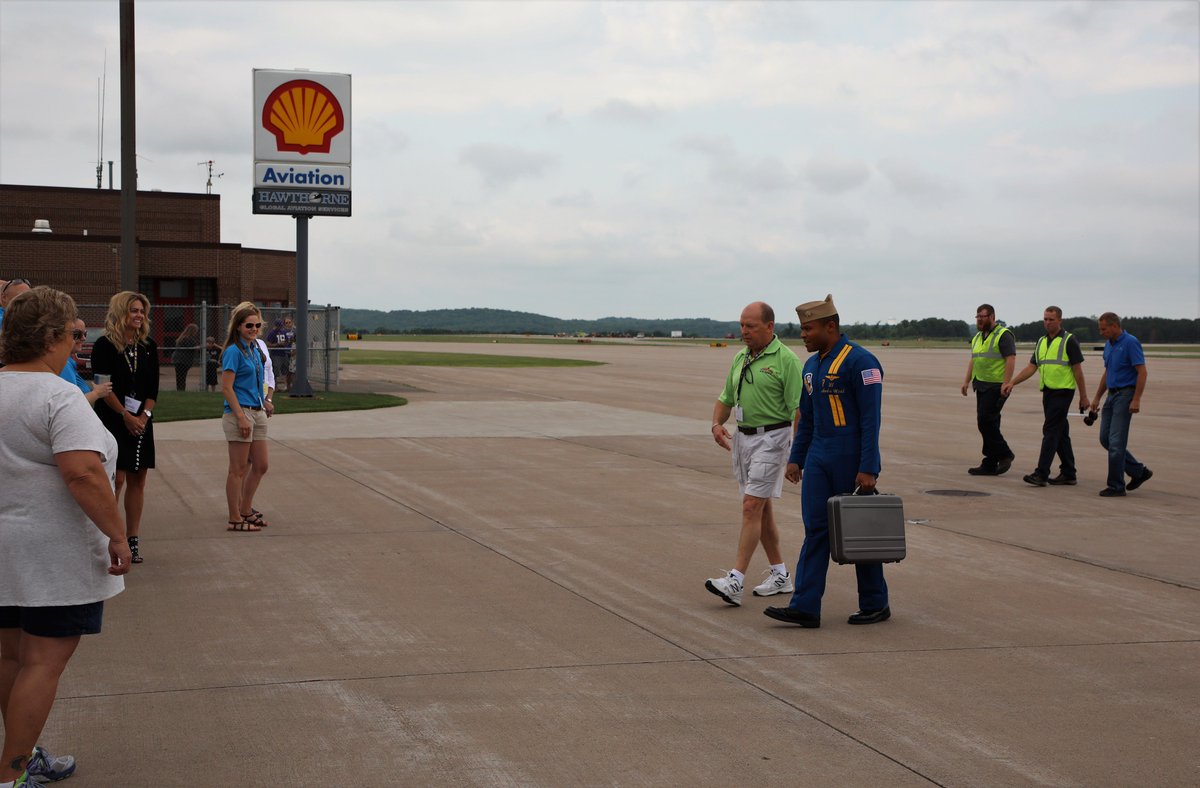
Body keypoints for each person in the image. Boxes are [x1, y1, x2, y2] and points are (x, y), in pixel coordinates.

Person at [0, 286, 131, 787]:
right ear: (51, 337)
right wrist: (117, 536)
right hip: (52, 558)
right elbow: (83, 474)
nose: (77, 343)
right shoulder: (59, 395)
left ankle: (22, 754)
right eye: (74, 333)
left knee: (11, 659)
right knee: (42, 664)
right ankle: (11, 775)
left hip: (7, 554)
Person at [764, 294, 890, 628]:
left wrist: (868, 467)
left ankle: (875, 603)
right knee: (816, 529)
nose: (803, 334)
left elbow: (870, 420)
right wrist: (796, 459)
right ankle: (805, 606)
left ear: (830, 326)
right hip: (819, 455)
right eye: (802, 328)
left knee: (858, 531)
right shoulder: (811, 366)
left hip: (851, 456)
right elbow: (806, 419)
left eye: (809, 328)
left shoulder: (862, 362)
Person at [706, 302, 803, 606]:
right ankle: (781, 575)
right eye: (742, 325)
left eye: (751, 326)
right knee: (761, 510)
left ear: (770, 327)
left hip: (773, 439)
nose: (744, 331)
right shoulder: (740, 357)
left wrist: (795, 455)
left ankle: (735, 579)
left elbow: (799, 411)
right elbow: (725, 397)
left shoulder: (786, 360)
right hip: (744, 440)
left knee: (750, 507)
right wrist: (716, 424)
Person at [90, 292, 158, 564]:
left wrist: (144, 416)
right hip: (113, 420)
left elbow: (152, 388)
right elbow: (102, 386)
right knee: (115, 480)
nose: (139, 316)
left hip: (141, 422)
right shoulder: (104, 345)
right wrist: (125, 416)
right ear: (121, 313)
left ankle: (133, 539)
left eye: (142, 311)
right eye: (133, 310)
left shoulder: (148, 346)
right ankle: (110, 536)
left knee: (138, 480)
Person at [1002, 307, 1090, 487]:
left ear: (1060, 321)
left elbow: (1078, 371)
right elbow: (1032, 367)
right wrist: (1012, 382)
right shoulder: (1041, 341)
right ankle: (1068, 472)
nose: (1047, 322)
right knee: (1060, 432)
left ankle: (1041, 473)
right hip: (1048, 392)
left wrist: (1084, 397)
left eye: (1051, 319)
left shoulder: (1069, 340)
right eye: (1045, 319)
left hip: (1063, 392)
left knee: (1050, 431)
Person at [221, 303, 273, 532]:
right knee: (238, 468)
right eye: (249, 325)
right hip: (240, 413)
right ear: (239, 327)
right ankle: (234, 518)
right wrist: (241, 417)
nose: (253, 329)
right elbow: (227, 387)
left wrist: (265, 402)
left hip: (257, 410)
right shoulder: (234, 351)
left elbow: (259, 381)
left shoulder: (254, 350)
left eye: (257, 325)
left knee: (261, 465)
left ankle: (245, 508)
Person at [1090, 312, 1151, 497]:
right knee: (1105, 439)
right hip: (1111, 395)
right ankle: (1139, 471)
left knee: (1116, 442)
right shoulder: (1109, 345)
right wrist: (1097, 397)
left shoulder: (1131, 342)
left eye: (1103, 328)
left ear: (1115, 326)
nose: (1101, 332)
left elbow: (1142, 372)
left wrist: (1137, 398)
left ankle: (1116, 485)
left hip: (1126, 395)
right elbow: (1108, 372)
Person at [961, 303, 1016, 476]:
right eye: (977, 317)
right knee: (991, 423)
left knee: (984, 421)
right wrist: (966, 381)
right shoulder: (978, 337)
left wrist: (1006, 383)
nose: (979, 320)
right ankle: (990, 463)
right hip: (981, 384)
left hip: (996, 386)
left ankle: (1005, 453)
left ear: (992, 317)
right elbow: (974, 359)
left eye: (982, 316)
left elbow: (1011, 359)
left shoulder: (1003, 335)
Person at [59, 318, 113, 406]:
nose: (83, 338)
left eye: (85, 333)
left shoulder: (69, 362)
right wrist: (96, 393)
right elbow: (70, 405)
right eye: (77, 334)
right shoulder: (63, 364)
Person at [171, 323, 201, 391]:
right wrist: (199, 347)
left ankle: (180, 390)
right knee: (182, 377)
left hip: (178, 360)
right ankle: (181, 390)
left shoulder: (183, 337)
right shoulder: (188, 338)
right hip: (183, 360)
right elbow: (191, 347)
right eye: (195, 331)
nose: (196, 333)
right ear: (192, 331)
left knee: (179, 377)